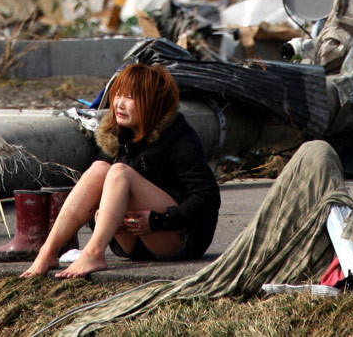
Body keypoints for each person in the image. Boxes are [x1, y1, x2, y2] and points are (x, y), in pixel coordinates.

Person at [21, 62, 220, 279]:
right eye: (118, 95)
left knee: (119, 172)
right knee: (99, 169)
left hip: (177, 239)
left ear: (153, 102)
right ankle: (48, 252)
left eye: (131, 97)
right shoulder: (118, 136)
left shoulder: (179, 137)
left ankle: (94, 253)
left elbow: (207, 198)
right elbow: (93, 200)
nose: (119, 104)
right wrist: (99, 218)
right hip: (131, 245)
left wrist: (158, 220)